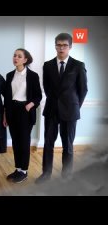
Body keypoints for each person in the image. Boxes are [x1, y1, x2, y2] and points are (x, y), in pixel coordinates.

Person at [35, 33, 88, 184]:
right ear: (55, 46)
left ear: (70, 47)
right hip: (52, 110)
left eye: (64, 45)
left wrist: (75, 105)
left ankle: (66, 176)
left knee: (68, 145)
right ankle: (46, 174)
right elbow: (46, 86)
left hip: (70, 111)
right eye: (58, 45)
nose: (61, 48)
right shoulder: (48, 65)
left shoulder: (78, 65)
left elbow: (83, 89)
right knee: (48, 143)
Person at [3, 49, 42, 183]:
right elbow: (7, 98)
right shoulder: (9, 75)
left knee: (24, 142)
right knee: (15, 142)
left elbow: (38, 96)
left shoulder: (33, 76)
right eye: (14, 55)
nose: (16, 58)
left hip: (25, 111)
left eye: (19, 56)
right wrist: (5, 115)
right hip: (11, 110)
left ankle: (24, 171)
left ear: (25, 60)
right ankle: (18, 168)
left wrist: (29, 105)